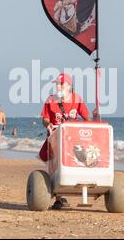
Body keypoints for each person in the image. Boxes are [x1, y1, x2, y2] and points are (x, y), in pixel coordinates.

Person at [40, 73, 98, 210]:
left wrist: (95, 118)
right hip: (55, 136)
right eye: (57, 84)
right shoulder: (50, 99)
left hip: (73, 137)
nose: (58, 87)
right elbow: (45, 118)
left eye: (61, 84)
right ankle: (59, 197)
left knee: (78, 160)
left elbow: (86, 117)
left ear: (69, 86)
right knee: (54, 166)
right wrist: (46, 123)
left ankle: (84, 182)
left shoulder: (76, 99)